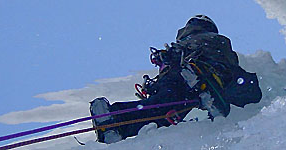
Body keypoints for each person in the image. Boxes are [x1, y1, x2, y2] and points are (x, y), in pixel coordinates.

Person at [89, 15, 262, 144]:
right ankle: (205, 89)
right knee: (242, 88)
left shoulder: (179, 45)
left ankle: (115, 121)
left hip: (172, 77)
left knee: (160, 108)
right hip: (201, 70)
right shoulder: (217, 40)